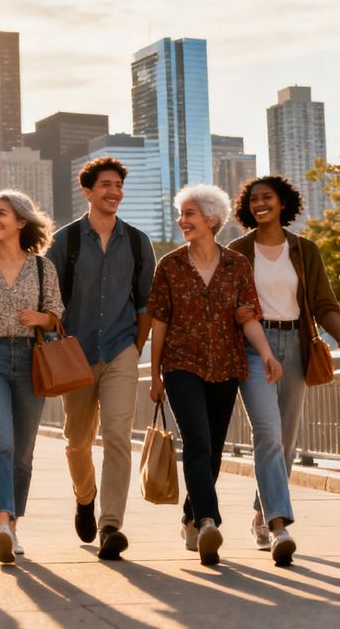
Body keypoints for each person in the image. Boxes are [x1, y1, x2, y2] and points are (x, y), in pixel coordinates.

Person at [147, 184, 282, 566]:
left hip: (226, 366)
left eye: (189, 214)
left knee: (213, 451)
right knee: (198, 442)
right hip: (181, 365)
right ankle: (209, 522)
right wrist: (156, 374)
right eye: (181, 214)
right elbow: (159, 322)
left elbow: (248, 316)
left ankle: (191, 516)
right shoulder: (170, 265)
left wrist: (268, 354)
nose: (181, 220)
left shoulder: (237, 265)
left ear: (210, 219)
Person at [227, 175, 340, 565]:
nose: (260, 204)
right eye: (254, 199)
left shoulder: (304, 250)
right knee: (268, 434)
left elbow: (324, 305)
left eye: (268, 198)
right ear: (247, 207)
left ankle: (262, 510)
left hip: (296, 345)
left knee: (287, 439)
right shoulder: (238, 251)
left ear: (283, 203)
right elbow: (225, 305)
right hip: (253, 349)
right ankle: (279, 526)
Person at [47, 158, 155, 560]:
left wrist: (136, 345)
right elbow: (50, 301)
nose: (114, 191)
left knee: (117, 437)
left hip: (120, 350)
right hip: (74, 355)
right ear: (88, 191)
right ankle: (84, 495)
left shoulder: (138, 242)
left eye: (118, 185)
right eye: (105, 185)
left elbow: (146, 301)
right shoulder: (66, 241)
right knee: (77, 442)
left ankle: (111, 525)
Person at [0, 189, 63, 564]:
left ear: (21, 222)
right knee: (0, 443)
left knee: (22, 453)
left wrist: (43, 318)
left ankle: (14, 527)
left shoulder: (42, 267)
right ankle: (1, 524)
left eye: (2, 213)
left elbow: (56, 310)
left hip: (29, 359)